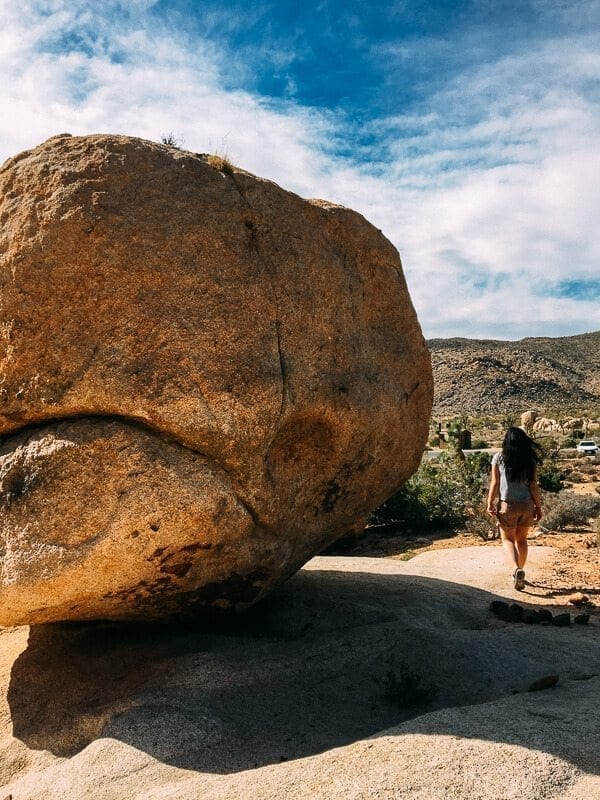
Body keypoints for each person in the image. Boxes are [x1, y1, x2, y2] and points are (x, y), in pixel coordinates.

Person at [486, 426, 543, 590]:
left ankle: (515, 570)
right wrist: (538, 507)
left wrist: (490, 503)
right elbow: (533, 485)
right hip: (526, 505)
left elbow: (495, 483)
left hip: (507, 505)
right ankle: (521, 571)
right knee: (522, 540)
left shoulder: (499, 458)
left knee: (508, 540)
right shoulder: (529, 460)